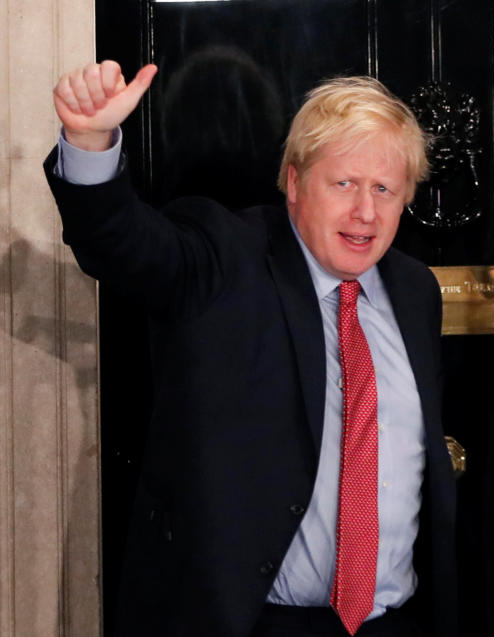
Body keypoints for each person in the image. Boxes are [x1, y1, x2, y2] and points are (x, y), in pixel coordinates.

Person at [45, 60, 456, 637]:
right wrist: (89, 141)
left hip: (394, 621)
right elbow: (123, 245)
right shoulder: (226, 256)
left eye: (384, 189)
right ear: (294, 182)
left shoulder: (414, 290)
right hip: (253, 623)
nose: (366, 212)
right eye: (344, 184)